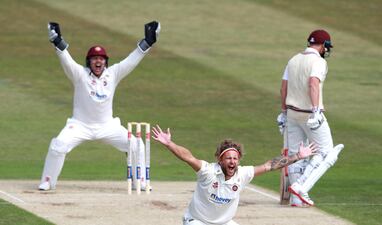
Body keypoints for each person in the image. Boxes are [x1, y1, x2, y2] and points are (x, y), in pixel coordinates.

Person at [38, 21, 161, 191]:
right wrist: (57, 41)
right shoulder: (79, 74)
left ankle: (139, 181)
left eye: (101, 59)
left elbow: (131, 61)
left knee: (136, 144)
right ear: (89, 61)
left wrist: (147, 42)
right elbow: (67, 60)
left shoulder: (113, 74)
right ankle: (47, 180)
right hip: (80, 125)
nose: (98, 62)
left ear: (105, 62)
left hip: (107, 126)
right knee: (58, 145)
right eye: (95, 59)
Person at [152, 125, 317, 225]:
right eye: (228, 158)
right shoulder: (207, 171)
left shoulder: (243, 174)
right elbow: (188, 157)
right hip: (197, 221)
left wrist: (298, 156)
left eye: (235, 158)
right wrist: (169, 144)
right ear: (220, 159)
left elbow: (269, 165)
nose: (232, 161)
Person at [276, 29, 344, 206]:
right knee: (328, 153)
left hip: (291, 113)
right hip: (309, 114)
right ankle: (301, 188)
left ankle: (295, 200)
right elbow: (313, 83)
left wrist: (283, 113)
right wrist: (316, 110)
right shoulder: (318, 62)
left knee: (296, 154)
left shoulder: (293, 60)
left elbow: (284, 88)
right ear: (323, 46)